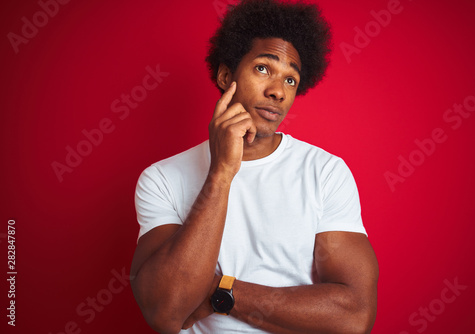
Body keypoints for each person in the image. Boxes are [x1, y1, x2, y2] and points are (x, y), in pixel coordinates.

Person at [130, 0, 379, 333]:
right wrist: (221, 174)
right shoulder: (161, 179)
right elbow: (165, 311)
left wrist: (223, 291)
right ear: (225, 75)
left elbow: (354, 317)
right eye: (263, 68)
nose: (277, 91)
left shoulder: (325, 173)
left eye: (291, 80)